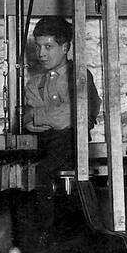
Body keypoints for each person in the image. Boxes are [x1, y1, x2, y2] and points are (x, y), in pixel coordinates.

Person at [24, 16, 101, 184]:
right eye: (38, 47)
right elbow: (27, 122)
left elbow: (74, 115)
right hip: (44, 145)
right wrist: (57, 116)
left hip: (72, 146)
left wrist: (37, 116)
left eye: (48, 47)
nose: (41, 54)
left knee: (40, 173)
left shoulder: (80, 77)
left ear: (65, 47)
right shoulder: (34, 83)